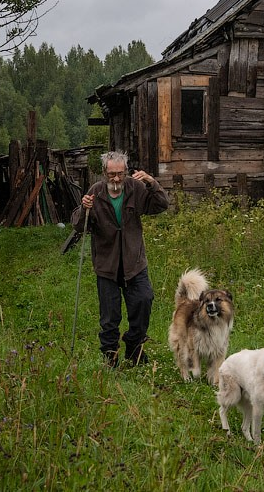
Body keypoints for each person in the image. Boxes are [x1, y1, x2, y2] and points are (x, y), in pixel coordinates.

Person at [72, 150, 169, 367]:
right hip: (107, 264)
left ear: (126, 171)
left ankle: (134, 348)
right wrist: (83, 209)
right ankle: (110, 357)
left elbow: (161, 205)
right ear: (104, 173)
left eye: (120, 173)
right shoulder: (96, 192)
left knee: (144, 301)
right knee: (109, 316)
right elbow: (80, 226)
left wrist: (152, 182)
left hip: (134, 262)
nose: (116, 179)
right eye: (111, 174)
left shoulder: (136, 188)